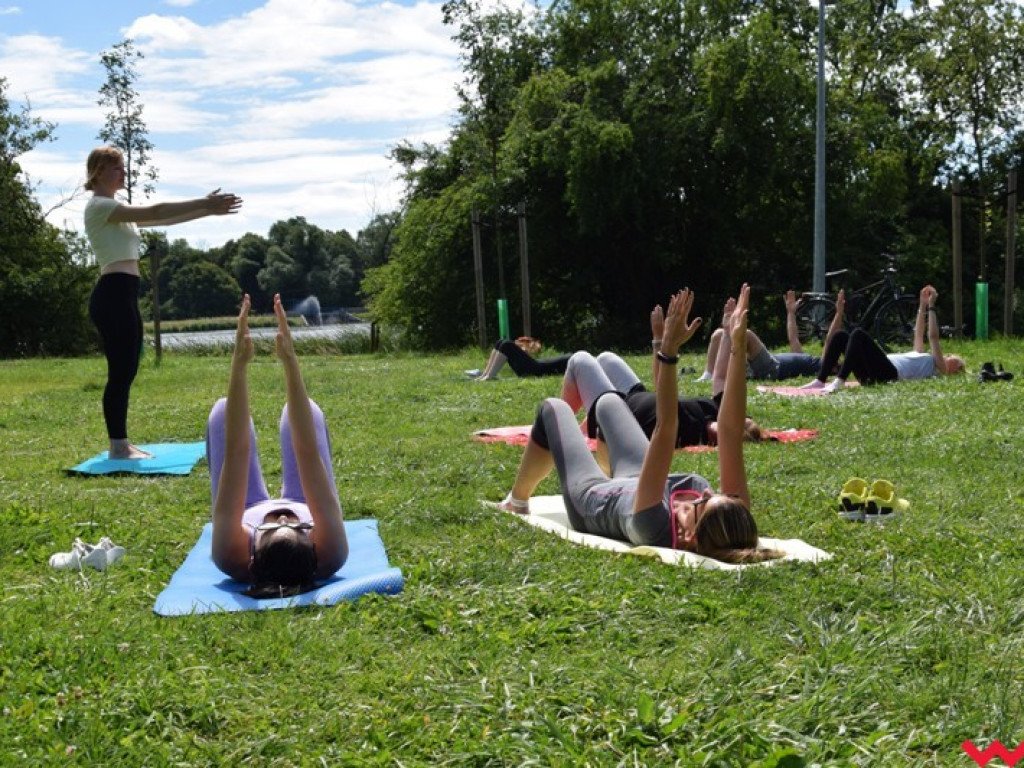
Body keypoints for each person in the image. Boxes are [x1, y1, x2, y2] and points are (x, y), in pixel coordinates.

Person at [496, 286, 782, 564]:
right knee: (609, 403)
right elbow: (731, 433)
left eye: (703, 504)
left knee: (553, 408)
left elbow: (665, 428)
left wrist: (668, 352)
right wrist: (737, 344)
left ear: (687, 536)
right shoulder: (729, 519)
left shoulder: (652, 524)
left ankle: (517, 500)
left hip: (592, 497)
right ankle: (606, 463)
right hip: (635, 477)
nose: (709, 492)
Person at [84, 146, 242, 459]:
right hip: (112, 295)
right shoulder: (100, 207)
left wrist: (208, 211)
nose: (123, 174)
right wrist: (204, 201)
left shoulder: (117, 211)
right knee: (120, 371)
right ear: (99, 171)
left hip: (124, 294)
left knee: (127, 370)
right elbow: (156, 211)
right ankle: (118, 446)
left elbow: (165, 221)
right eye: (117, 168)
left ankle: (121, 442)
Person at [206, 293, 349, 598]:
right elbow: (307, 452)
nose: (284, 517)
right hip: (304, 499)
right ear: (313, 547)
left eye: (273, 528)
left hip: (246, 507)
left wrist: (240, 363)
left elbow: (236, 450)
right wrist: (289, 360)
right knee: (305, 411)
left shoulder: (229, 554)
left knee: (222, 412)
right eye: (298, 528)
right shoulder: (331, 552)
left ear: (252, 555)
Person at [558, 297, 764, 468]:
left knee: (580, 360)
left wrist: (662, 342)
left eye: (740, 428)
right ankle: (582, 426)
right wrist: (728, 333)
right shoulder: (716, 409)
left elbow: (663, 394)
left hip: (614, 411)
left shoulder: (690, 432)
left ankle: (561, 426)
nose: (735, 422)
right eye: (743, 420)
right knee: (606, 358)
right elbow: (719, 377)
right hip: (635, 395)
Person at [800, 285, 965, 392]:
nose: (948, 355)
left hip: (889, 374)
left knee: (858, 334)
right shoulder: (922, 356)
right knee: (841, 336)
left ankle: (839, 381)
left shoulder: (939, 368)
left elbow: (933, 336)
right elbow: (919, 332)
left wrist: (932, 305)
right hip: (874, 371)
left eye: (952, 358)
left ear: (954, 369)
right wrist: (923, 304)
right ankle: (820, 380)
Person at [697, 290, 826, 381]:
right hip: (767, 362)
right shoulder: (805, 357)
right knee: (718, 334)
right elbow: (793, 338)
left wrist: (839, 314)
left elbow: (834, 338)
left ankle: (741, 373)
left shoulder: (820, 365)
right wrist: (791, 313)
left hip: (773, 368)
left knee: (746, 334)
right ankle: (708, 374)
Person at [467, 337, 571, 380]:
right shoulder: (575, 358)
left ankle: (488, 377)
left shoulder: (575, 360)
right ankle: (485, 374)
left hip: (535, 370)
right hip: (536, 366)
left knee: (506, 344)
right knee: (501, 342)